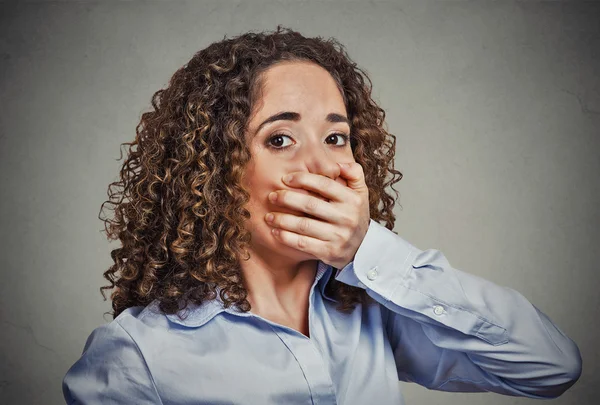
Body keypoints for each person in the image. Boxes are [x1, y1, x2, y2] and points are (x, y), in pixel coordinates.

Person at [62, 26, 582, 404]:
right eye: (280, 139)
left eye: (336, 138)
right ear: (212, 171)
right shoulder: (136, 358)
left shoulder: (375, 312)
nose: (321, 166)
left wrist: (368, 252)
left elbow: (550, 366)